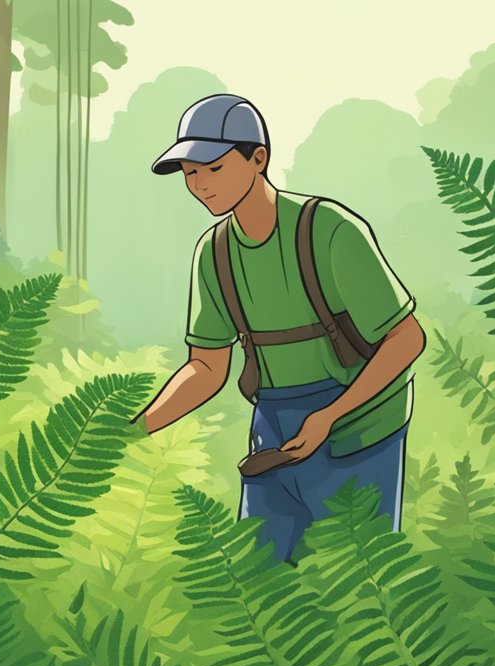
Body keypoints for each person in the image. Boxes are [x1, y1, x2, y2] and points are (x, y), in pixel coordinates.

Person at [131, 93, 427, 564]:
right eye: (190, 173)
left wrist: (330, 415)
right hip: (275, 426)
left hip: (359, 426)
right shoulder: (215, 253)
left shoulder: (328, 229)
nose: (201, 185)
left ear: (258, 158)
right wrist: (135, 429)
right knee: (261, 581)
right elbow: (207, 367)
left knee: (358, 581)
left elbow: (407, 338)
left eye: (214, 168)